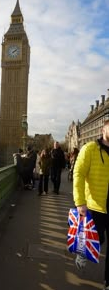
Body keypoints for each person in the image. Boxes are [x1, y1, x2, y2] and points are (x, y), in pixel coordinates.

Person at [73, 120, 109, 290]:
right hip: (96, 205)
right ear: (103, 129)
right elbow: (78, 173)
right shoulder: (90, 149)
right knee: (98, 239)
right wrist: (80, 202)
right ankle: (83, 251)